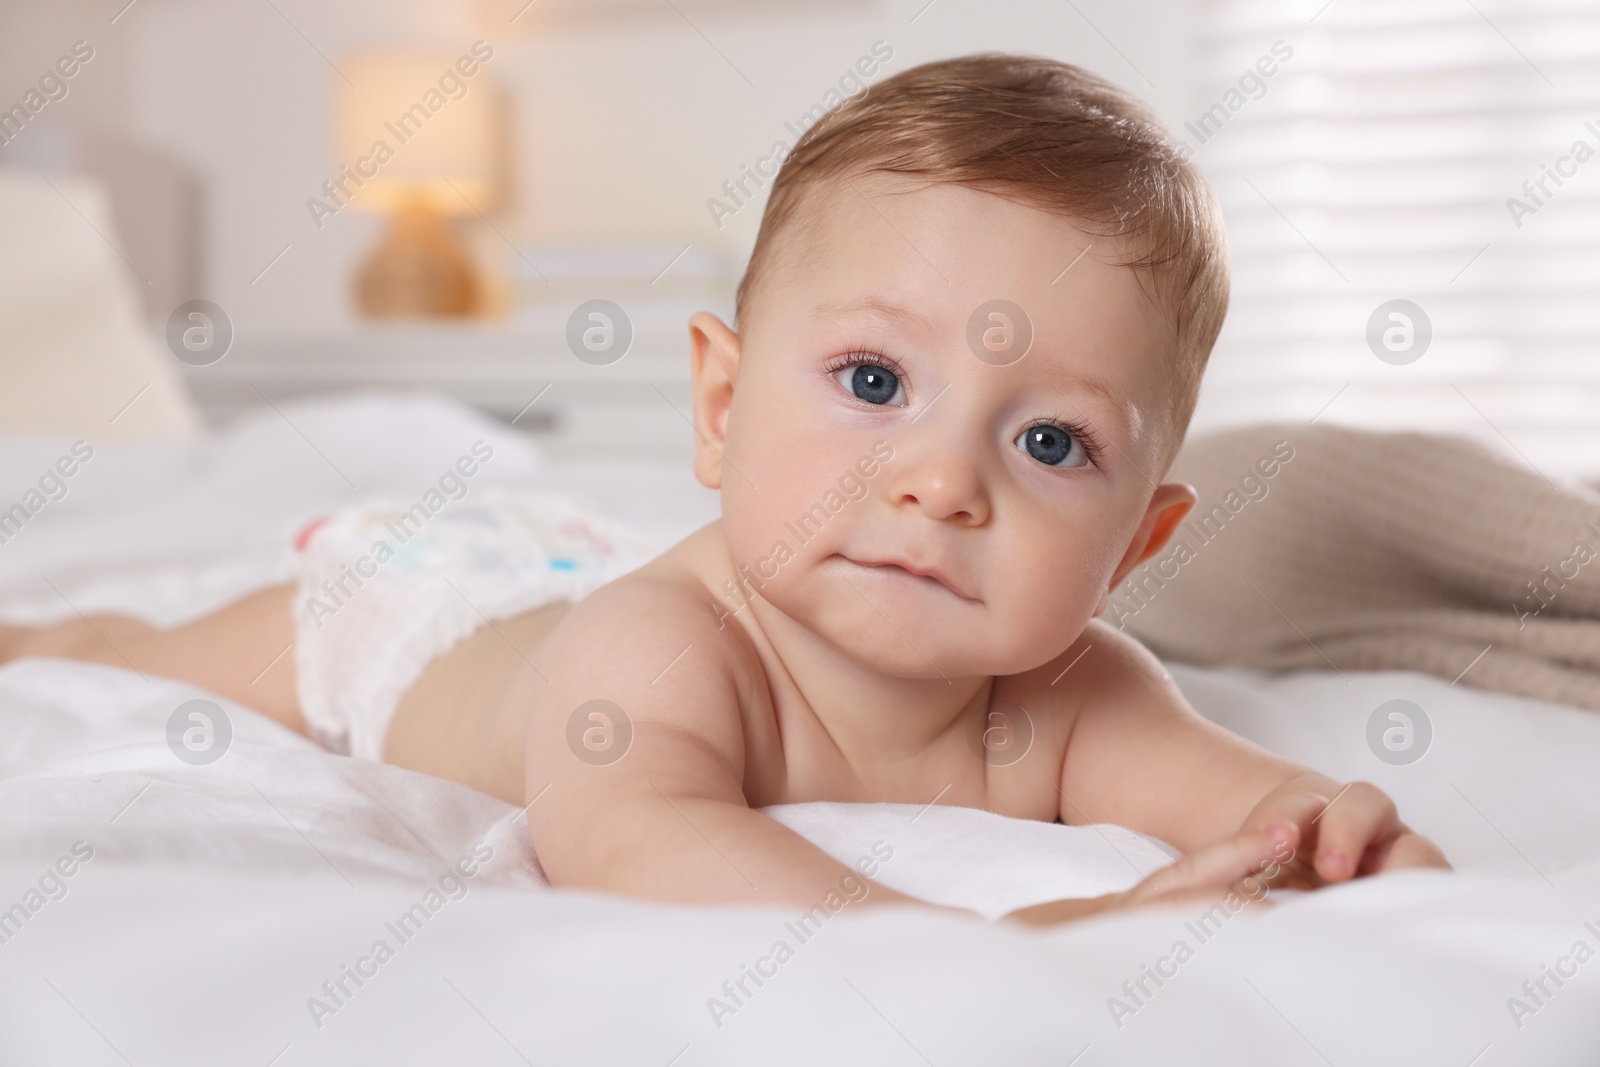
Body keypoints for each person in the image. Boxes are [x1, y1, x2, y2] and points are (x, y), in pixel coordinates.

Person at [6, 53, 1448, 925]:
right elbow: (636, 836)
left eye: (1051, 443)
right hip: (416, 613)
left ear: (1137, 546)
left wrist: (1338, 835)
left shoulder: (1079, 695)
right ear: (718, 404)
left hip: (562, 559)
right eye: (875, 384)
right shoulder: (658, 652)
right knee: (126, 651)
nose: (942, 484)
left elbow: (1249, 804)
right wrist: (1008, 934)